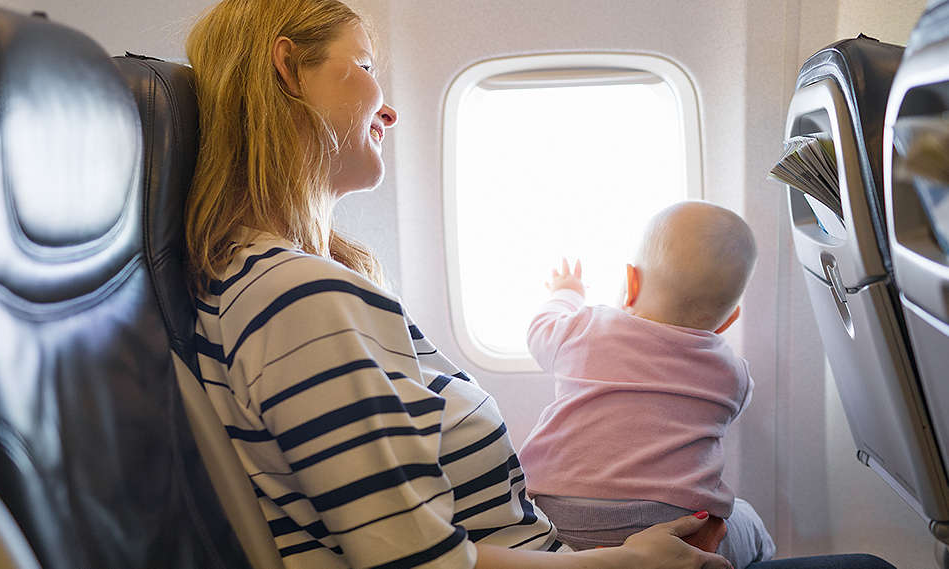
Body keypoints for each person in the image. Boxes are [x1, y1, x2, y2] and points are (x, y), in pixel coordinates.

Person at [181, 1, 897, 568]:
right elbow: (416, 562)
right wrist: (625, 562)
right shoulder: (299, 298)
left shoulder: (275, 284)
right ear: (288, 70)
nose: (391, 108)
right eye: (364, 65)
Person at [520, 202, 774, 568]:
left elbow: (539, 329)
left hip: (557, 519)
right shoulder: (734, 374)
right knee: (748, 520)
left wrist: (567, 292)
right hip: (681, 532)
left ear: (631, 282)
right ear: (729, 319)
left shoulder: (586, 328)